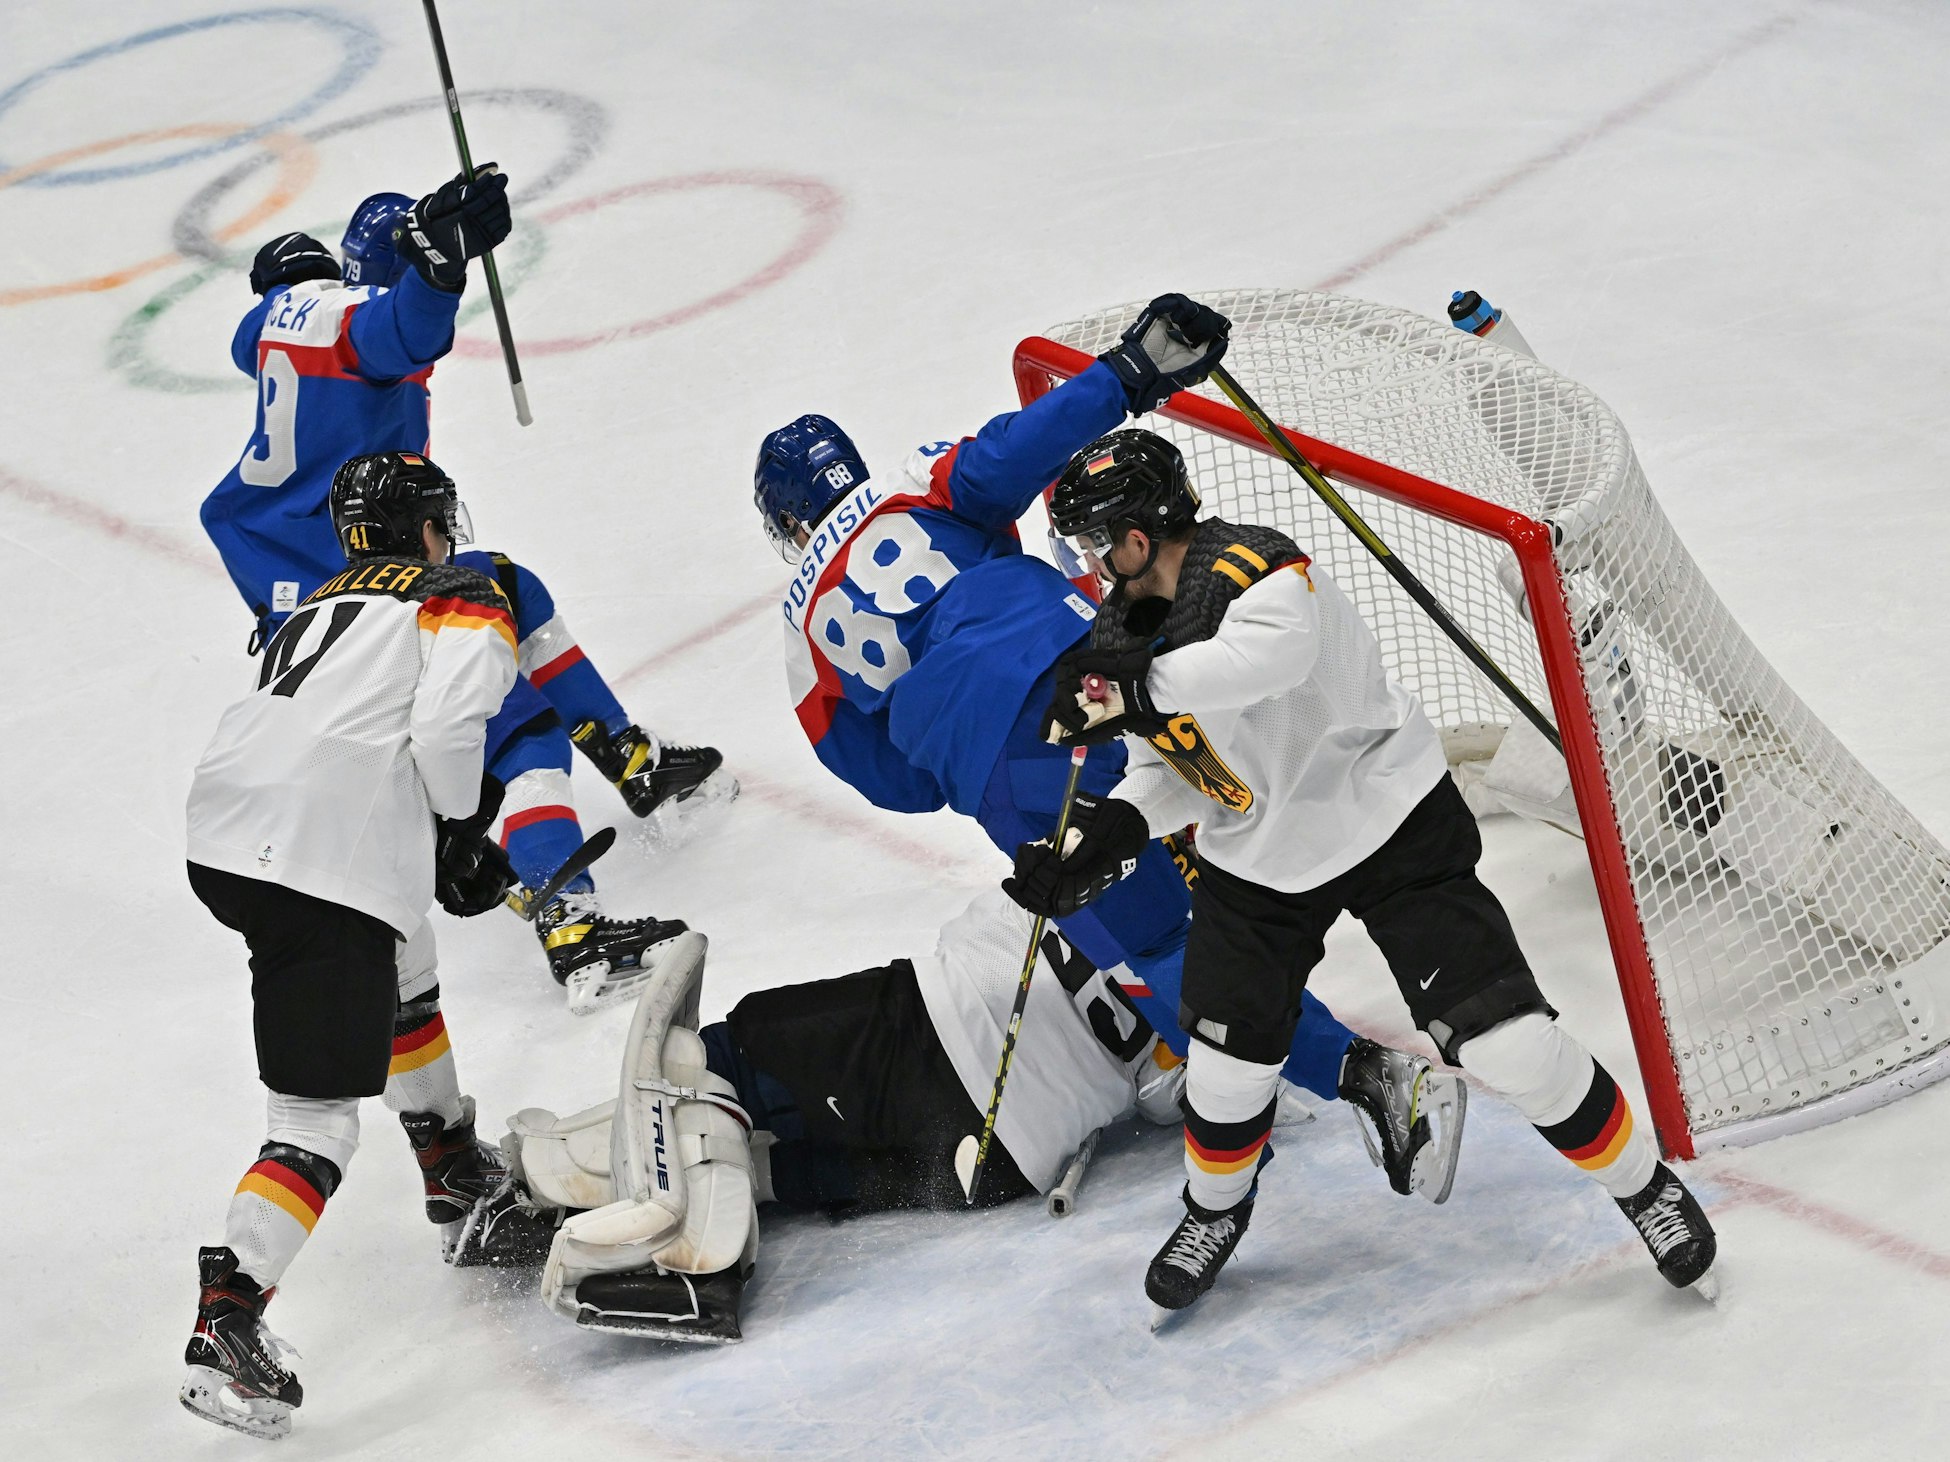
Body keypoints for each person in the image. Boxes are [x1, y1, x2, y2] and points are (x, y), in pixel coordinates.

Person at [1014, 416, 1720, 1325]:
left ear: (1136, 536)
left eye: (1091, 541)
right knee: (1226, 1066)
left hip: (1392, 825)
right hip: (1259, 861)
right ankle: (1212, 1214)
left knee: (1508, 1042)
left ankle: (1644, 1188)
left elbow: (1267, 663)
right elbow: (1177, 767)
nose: (1086, 560)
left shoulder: (1257, 572)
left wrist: (1134, 690)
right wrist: (1108, 836)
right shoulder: (1123, 632)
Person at [751, 296, 1461, 1192]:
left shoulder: (802, 630)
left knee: (1154, 935)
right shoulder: (912, 484)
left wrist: (959, 760)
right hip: (1098, 659)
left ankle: (1367, 1080)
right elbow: (1021, 449)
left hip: (1009, 764)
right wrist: (1135, 370)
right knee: (1248, 799)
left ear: (787, 525)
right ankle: (1450, 976)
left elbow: (881, 776)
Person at [199, 172, 725, 1006]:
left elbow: (267, 332)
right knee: (521, 729)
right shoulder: (354, 321)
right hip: (370, 602)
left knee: (507, 582)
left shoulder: (276, 323)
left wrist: (290, 277)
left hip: (308, 609)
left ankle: (629, 757)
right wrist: (439, 270)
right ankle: (574, 929)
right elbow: (398, 331)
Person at [450, 885, 1198, 1343]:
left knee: (717, 1061)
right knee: (782, 1171)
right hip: (1001, 1167)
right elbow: (1171, 1105)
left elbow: (977, 930)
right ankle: (708, 1204)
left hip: (921, 1034)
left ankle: (558, 1191)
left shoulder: (1108, 826)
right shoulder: (1229, 958)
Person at [179, 451, 526, 1439]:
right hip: (315, 853)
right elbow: (452, 719)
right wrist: (462, 828)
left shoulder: (320, 603)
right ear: (428, 528)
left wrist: (434, 846)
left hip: (231, 830)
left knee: (401, 950)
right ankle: (227, 1321)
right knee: (317, 1118)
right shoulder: (456, 591)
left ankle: (450, 1159)